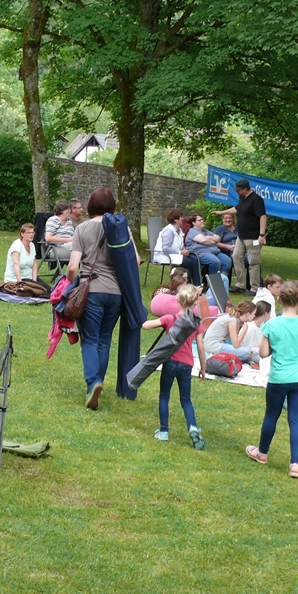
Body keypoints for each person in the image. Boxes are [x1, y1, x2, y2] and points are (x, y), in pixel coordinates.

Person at [244, 281, 298, 476]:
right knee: (296, 420)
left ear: (279, 300)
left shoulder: (272, 324)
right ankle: (295, 465)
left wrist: (275, 346)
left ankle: (262, 453)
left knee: (271, 415)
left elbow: (263, 353)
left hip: (278, 378)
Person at [68, 187, 126, 410]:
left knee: (90, 340)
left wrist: (68, 282)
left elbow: (73, 267)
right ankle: (96, 383)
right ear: (112, 206)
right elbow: (136, 260)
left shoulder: (82, 229)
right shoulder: (122, 229)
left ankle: (94, 382)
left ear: (90, 205)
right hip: (116, 293)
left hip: (91, 290)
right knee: (104, 340)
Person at [141, 284, 208, 449]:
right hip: (187, 365)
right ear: (194, 304)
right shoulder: (196, 324)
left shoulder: (170, 319)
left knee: (164, 396)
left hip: (170, 362)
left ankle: (163, 431)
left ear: (177, 300)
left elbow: (146, 326)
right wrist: (203, 368)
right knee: (186, 399)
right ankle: (192, 426)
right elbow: (200, 347)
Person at [215, 178, 268, 293]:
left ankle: (254, 288)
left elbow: (263, 217)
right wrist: (222, 212)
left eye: (239, 190)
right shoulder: (242, 198)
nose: (237, 192)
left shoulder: (256, 199)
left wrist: (262, 235)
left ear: (245, 189)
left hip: (253, 236)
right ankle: (241, 285)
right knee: (236, 257)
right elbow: (236, 209)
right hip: (241, 236)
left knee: (253, 262)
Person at [154, 209, 203, 286]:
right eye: (180, 217)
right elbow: (165, 247)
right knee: (188, 262)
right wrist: (180, 252)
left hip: (175, 254)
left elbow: (179, 245)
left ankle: (198, 285)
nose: (182, 219)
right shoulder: (169, 231)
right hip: (163, 255)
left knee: (194, 259)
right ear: (175, 220)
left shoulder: (179, 230)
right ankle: (188, 284)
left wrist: (184, 250)